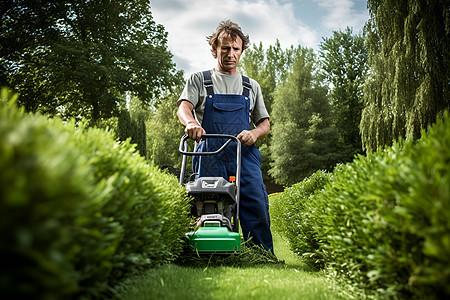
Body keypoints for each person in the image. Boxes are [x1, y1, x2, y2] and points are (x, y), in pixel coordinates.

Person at [176, 20, 273, 252]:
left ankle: (260, 255)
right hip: (210, 153)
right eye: (225, 48)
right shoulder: (200, 80)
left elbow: (264, 123)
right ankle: (207, 250)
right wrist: (191, 123)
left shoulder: (251, 86)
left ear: (242, 51)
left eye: (236, 49)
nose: (231, 54)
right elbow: (184, 107)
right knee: (207, 201)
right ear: (215, 49)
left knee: (256, 203)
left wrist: (254, 133)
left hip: (243, 154)